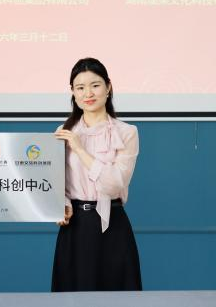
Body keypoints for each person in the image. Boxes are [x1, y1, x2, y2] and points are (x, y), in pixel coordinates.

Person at [52, 57, 142, 291]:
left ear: (108, 87)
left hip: (112, 226)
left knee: (116, 298)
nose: (88, 93)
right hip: (74, 228)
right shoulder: (64, 131)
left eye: (95, 85)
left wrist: (80, 149)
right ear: (73, 92)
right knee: (72, 297)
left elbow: (114, 184)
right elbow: (56, 180)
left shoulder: (127, 132)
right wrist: (61, 204)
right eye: (80, 87)